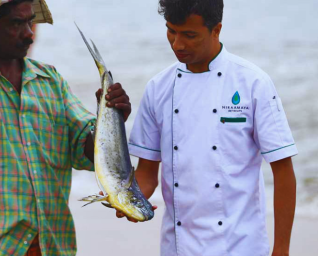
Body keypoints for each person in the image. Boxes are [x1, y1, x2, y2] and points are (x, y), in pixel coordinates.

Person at [0, 0, 131, 255]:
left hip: (50, 246)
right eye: (16, 23)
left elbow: (88, 153)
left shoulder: (51, 81)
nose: (29, 34)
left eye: (29, 22)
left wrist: (112, 120)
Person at [118, 0, 298, 255]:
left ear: (216, 30)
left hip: (240, 245)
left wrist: (282, 248)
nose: (178, 44)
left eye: (190, 35)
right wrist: (127, 201)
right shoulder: (158, 88)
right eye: (171, 31)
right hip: (177, 247)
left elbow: (283, 171)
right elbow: (147, 175)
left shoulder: (253, 83)